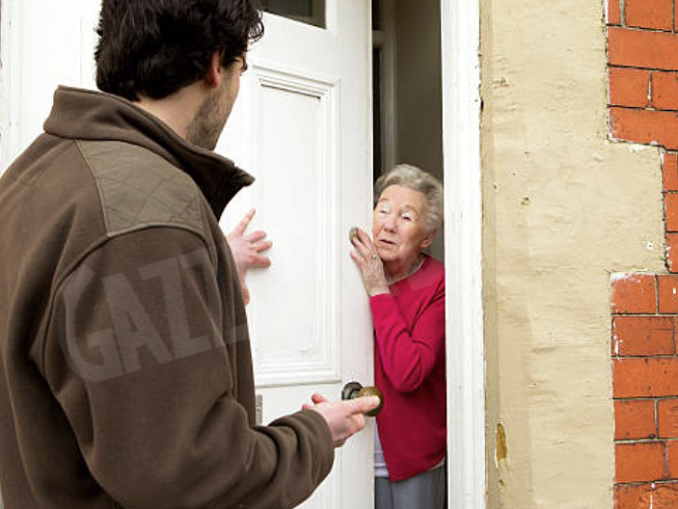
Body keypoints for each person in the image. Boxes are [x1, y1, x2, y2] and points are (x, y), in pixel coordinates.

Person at [0, 1, 379, 508]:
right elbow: (195, 479)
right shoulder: (145, 215)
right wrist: (314, 434)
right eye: (242, 70)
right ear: (216, 65)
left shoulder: (34, 177)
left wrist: (208, 270)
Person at [350, 164, 446, 509]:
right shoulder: (347, 268)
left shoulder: (438, 283)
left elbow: (410, 373)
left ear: (427, 236)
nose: (388, 224)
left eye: (406, 217)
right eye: (384, 210)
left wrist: (378, 289)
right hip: (351, 452)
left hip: (411, 458)